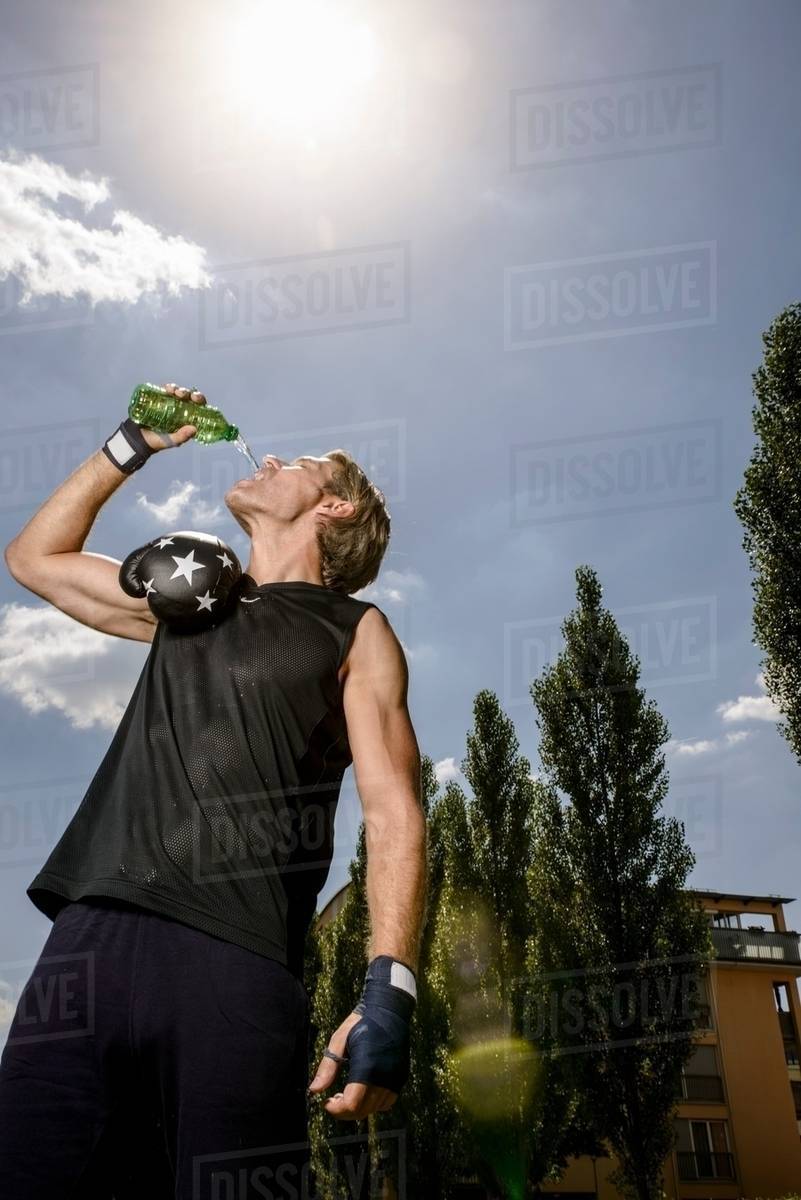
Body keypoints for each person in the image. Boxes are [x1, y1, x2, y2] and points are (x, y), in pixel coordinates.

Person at [0, 383, 428, 1199]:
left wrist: (391, 989)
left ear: (334, 509)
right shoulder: (190, 599)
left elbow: (393, 810)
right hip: (90, 939)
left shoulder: (354, 630)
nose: (269, 459)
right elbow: (33, 561)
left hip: (234, 962)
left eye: (302, 465)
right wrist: (132, 444)